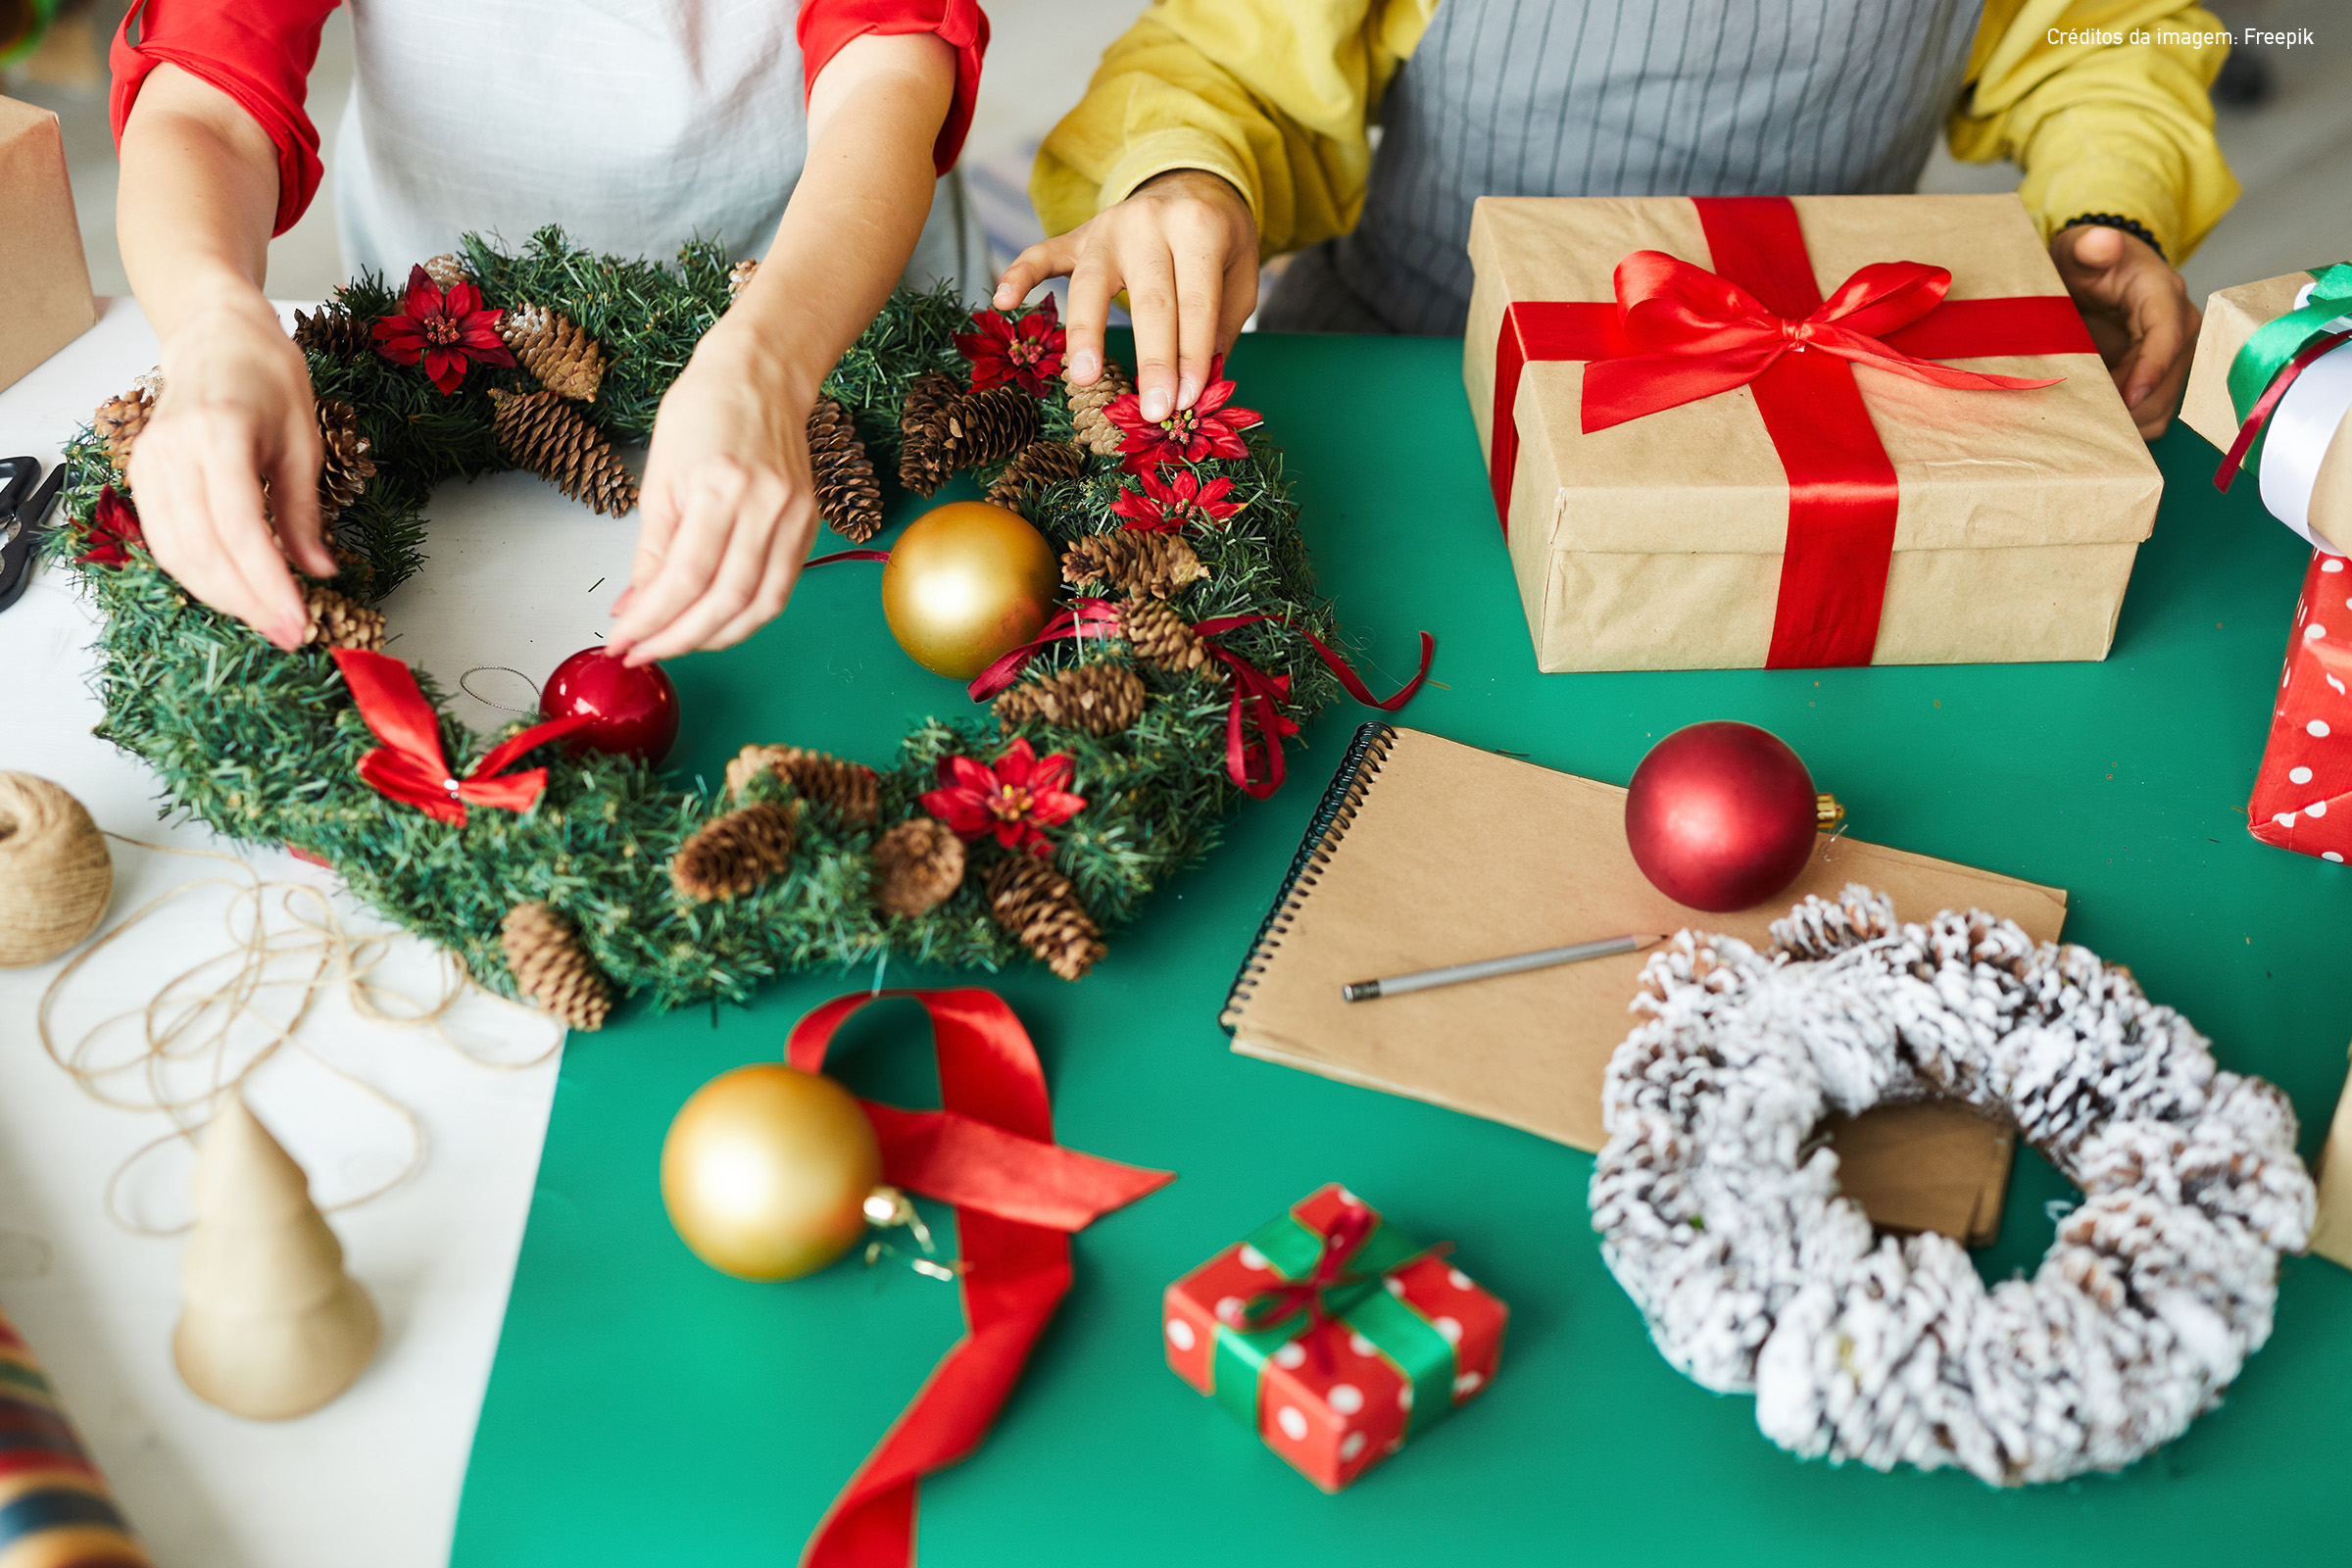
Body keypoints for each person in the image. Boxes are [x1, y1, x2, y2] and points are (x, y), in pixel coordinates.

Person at [108, 0, 988, 664]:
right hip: (456, 334)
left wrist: (771, 353)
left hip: (830, 299)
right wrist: (213, 320)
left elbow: (886, 73)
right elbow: (206, 103)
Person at [1003, 0, 2230, 442]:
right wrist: (1186, 177)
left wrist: (2112, 204)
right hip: (1422, 376)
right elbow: (1225, 63)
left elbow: (2105, 43)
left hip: (1805, 428)